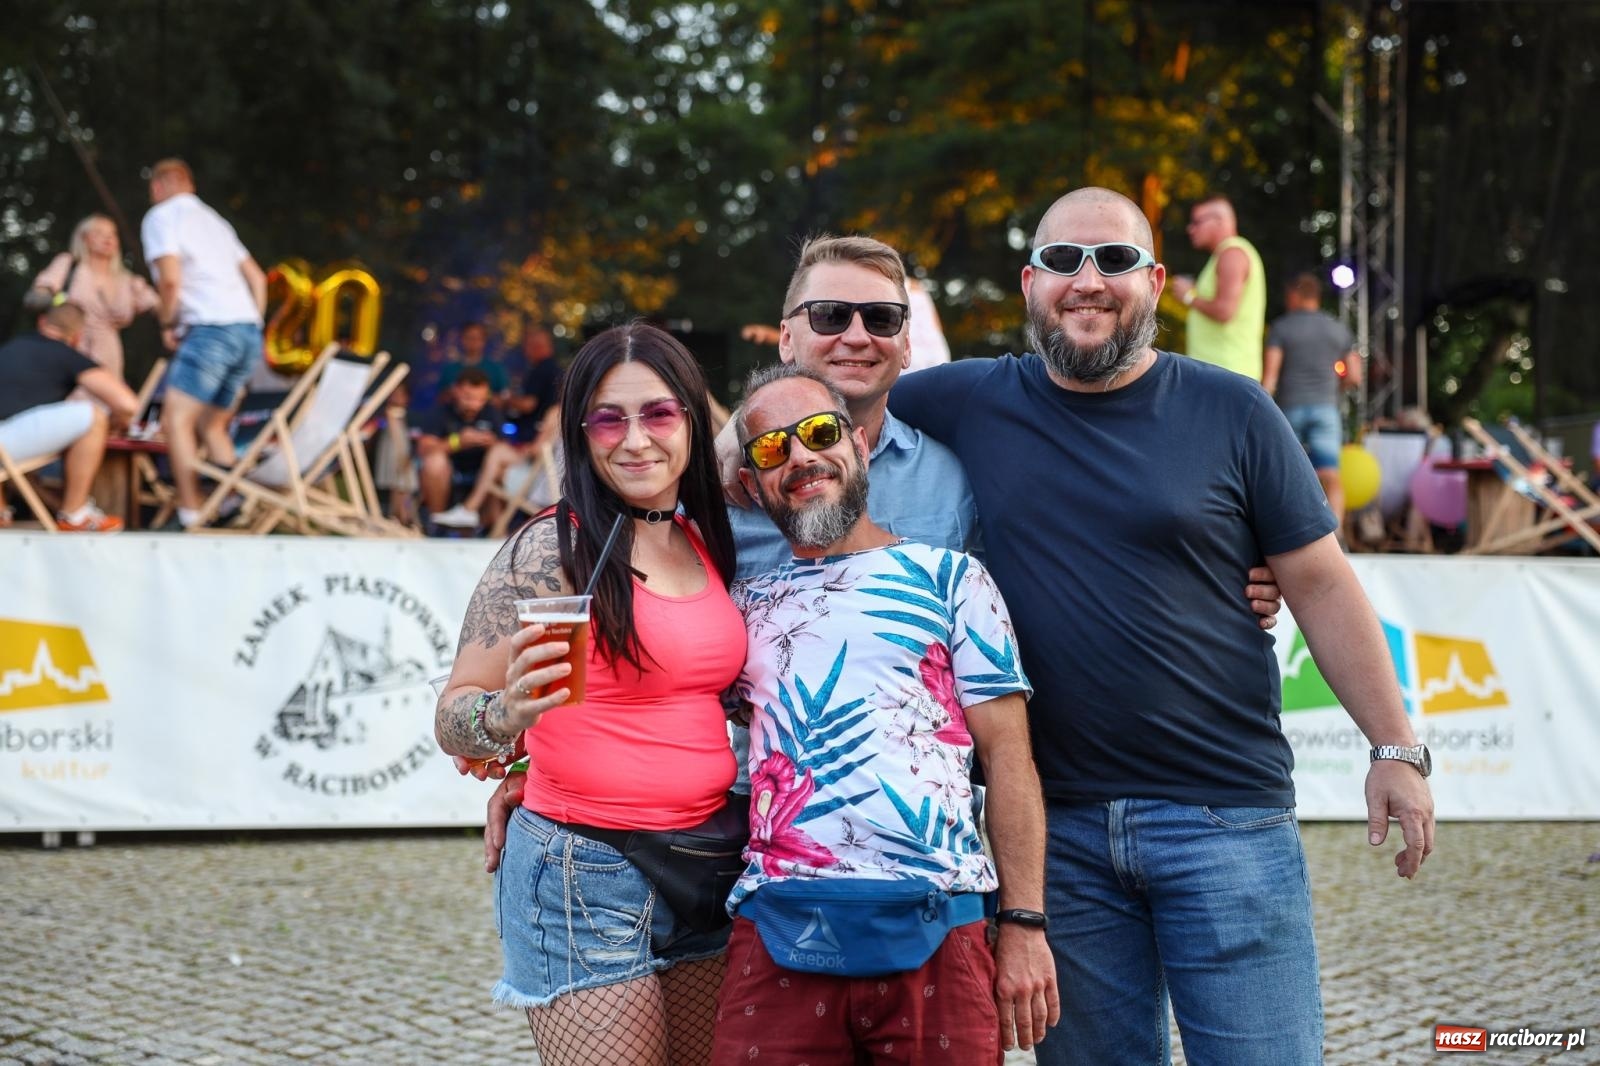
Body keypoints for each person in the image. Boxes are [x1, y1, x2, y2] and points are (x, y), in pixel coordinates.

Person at [888, 187, 1436, 1066]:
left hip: (1226, 819)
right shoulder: (969, 400)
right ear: (1030, 283)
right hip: (1057, 835)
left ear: (1155, 281)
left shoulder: (1235, 410)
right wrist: (716, 452)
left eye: (1114, 260)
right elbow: (822, 411)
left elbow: (1323, 585)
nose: (1087, 281)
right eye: (1063, 261)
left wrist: (1395, 747)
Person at [709, 364, 1057, 1063]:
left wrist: (1023, 922)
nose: (801, 457)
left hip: (941, 921)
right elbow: (650, 711)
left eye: (819, 433)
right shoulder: (741, 610)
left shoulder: (953, 579)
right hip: (778, 922)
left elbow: (1009, 757)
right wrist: (525, 776)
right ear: (751, 482)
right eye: (773, 448)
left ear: (861, 446)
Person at [434, 321, 741, 1065]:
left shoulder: (707, 539)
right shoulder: (553, 547)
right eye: (609, 419)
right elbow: (452, 716)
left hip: (708, 860)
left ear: (691, 421)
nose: (635, 440)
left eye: (658, 413)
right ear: (581, 433)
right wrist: (508, 716)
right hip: (585, 869)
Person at [724, 234, 981, 578]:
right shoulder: (722, 487)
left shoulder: (952, 477)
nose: (858, 337)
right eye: (830, 316)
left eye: (882, 318)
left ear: (906, 346)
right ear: (786, 339)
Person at [140, 158, 267, 531]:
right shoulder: (215, 221)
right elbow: (258, 279)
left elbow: (170, 282)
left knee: (176, 420)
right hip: (247, 332)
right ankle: (230, 502)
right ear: (190, 184)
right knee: (213, 424)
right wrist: (253, 321)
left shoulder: (161, 216)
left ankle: (191, 513)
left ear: (158, 186)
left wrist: (168, 322)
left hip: (211, 328)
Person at [0, 302, 139, 531]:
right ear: (77, 336)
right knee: (93, 417)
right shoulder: (67, 355)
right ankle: (75, 514)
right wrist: (116, 424)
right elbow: (127, 405)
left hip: (7, 443)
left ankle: (2, 510)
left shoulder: (9, 348)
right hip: (6, 445)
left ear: (42, 322)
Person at [1264, 272, 1362, 526]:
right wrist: (1335, 389)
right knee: (1330, 474)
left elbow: (1270, 378)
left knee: (1286, 475)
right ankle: (1337, 534)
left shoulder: (1282, 327)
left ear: (1294, 296)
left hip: (1290, 409)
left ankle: (1287, 531)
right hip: (1326, 409)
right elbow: (1355, 376)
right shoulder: (1337, 329)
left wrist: (1262, 408)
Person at [27, 214, 159, 385]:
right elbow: (38, 294)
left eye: (112, 234)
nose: (108, 238)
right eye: (99, 233)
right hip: (68, 346)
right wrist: (51, 302)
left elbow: (160, 306)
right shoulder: (69, 264)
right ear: (84, 238)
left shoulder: (128, 281)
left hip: (108, 358)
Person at [1167, 193, 1267, 381]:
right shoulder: (1225, 254)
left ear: (1219, 221)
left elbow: (1225, 311)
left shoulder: (1232, 254)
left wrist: (1188, 296)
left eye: (1197, 222)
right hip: (1223, 373)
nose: (1190, 229)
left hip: (1227, 373)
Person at [415, 368, 511, 531]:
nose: (475, 404)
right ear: (456, 391)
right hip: (448, 473)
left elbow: (503, 448)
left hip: (482, 475)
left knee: (502, 466)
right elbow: (424, 449)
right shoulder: (440, 411)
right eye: (468, 398)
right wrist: (457, 442)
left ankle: (494, 530)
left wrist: (491, 443)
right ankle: (438, 524)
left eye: (481, 399)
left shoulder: (491, 412)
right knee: (434, 462)